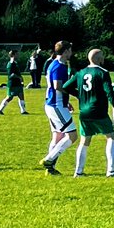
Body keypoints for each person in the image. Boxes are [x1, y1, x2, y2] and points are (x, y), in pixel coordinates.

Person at [63, 48, 114, 177]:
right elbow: (109, 92)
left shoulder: (81, 73)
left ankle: (78, 172)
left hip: (84, 112)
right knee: (112, 137)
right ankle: (111, 171)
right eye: (102, 56)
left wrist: (80, 95)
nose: (103, 59)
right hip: (98, 111)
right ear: (98, 59)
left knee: (84, 141)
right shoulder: (102, 73)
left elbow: (66, 86)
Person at [39, 41, 77, 175]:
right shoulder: (59, 67)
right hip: (56, 105)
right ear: (66, 51)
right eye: (70, 50)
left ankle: (50, 169)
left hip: (55, 104)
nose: (71, 53)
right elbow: (57, 86)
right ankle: (48, 160)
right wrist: (74, 93)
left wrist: (66, 101)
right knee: (72, 135)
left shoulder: (53, 64)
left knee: (57, 136)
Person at [0, 50, 29, 115]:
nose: (18, 55)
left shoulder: (15, 63)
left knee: (21, 95)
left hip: (17, 83)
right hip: (12, 84)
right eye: (17, 54)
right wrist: (19, 77)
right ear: (13, 55)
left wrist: (20, 78)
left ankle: (23, 111)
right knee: (9, 97)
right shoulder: (10, 64)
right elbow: (11, 75)